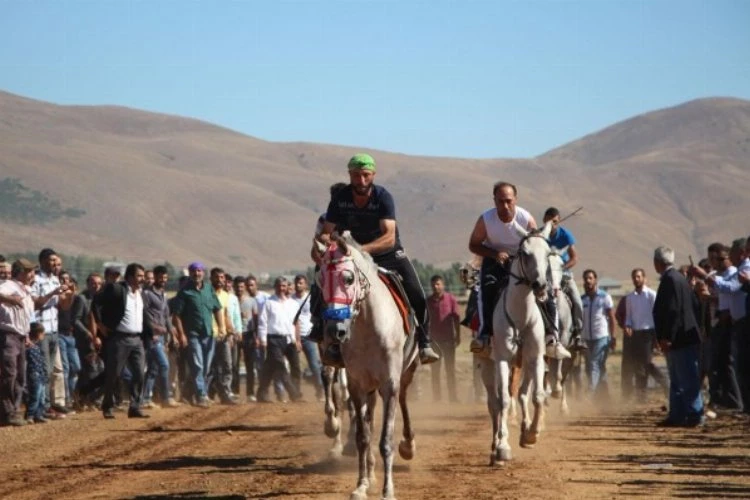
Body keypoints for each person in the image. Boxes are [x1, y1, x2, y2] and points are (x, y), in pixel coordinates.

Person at [313, 154, 439, 365]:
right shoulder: (339, 198)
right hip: (351, 255)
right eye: (356, 176)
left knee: (416, 291)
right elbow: (325, 233)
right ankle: (323, 332)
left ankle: (424, 342)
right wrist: (331, 244)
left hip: (386, 253)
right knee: (322, 284)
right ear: (349, 175)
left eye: (366, 175)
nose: (361, 181)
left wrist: (361, 251)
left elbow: (389, 236)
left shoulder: (382, 197)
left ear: (373, 175)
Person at [468, 182, 571, 360]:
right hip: (495, 262)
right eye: (500, 201)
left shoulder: (525, 218)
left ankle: (552, 339)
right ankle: (484, 335)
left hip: (524, 261)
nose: (505, 205)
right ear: (494, 201)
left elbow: (536, 242)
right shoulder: (485, 220)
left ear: (515, 200)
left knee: (544, 290)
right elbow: (473, 245)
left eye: (508, 201)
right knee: (486, 289)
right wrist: (495, 253)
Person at [653, 246, 704, 427]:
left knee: (687, 377)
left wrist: (668, 336)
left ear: (657, 262)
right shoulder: (677, 278)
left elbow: (674, 311)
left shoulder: (671, 280)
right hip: (681, 337)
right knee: (677, 378)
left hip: (680, 338)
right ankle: (677, 414)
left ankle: (694, 415)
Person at [93, 263, 149, 419]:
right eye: (139, 276)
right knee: (114, 374)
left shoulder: (140, 293)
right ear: (130, 277)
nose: (142, 279)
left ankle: (135, 407)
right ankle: (108, 406)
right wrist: (100, 324)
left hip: (137, 339)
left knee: (139, 374)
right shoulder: (117, 289)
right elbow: (96, 301)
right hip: (120, 339)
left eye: (143, 276)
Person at [170, 262, 223, 408]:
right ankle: (202, 395)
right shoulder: (184, 292)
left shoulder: (209, 289)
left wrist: (221, 327)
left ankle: (188, 394)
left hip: (209, 334)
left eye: (199, 271)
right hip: (192, 335)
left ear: (203, 273)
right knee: (198, 365)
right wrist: (182, 335)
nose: (197, 274)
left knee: (205, 367)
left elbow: (217, 308)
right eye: (194, 271)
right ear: (190, 273)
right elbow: (176, 316)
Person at [543, 207, 585, 351]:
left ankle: (578, 334)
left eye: (554, 221)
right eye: (549, 220)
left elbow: (574, 258)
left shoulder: (566, 235)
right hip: (544, 277)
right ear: (544, 220)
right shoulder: (540, 235)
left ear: (559, 221)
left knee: (577, 301)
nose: (551, 223)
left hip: (563, 274)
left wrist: (562, 268)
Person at [0, 259, 36, 426]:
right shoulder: (7, 286)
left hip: (21, 336)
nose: (32, 275)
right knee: (10, 375)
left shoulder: (26, 290)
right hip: (8, 335)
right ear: (20, 272)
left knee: (20, 376)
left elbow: (29, 312)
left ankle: (12, 410)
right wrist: (9, 299)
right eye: (29, 271)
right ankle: (8, 412)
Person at [621, 268, 666, 400]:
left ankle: (664, 384)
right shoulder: (629, 298)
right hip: (635, 334)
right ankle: (641, 395)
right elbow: (629, 316)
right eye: (634, 277)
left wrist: (657, 336)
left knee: (646, 364)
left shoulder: (651, 295)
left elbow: (657, 316)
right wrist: (628, 325)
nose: (636, 279)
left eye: (639, 277)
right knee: (637, 364)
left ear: (644, 278)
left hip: (649, 333)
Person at [256, 277, 303, 403]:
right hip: (274, 339)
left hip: (290, 339)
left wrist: (298, 339)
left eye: (284, 286)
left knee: (294, 367)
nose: (282, 289)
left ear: (287, 287)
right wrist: (263, 339)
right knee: (280, 367)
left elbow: (296, 323)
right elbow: (263, 322)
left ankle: (262, 393)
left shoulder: (293, 304)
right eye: (279, 286)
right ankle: (294, 395)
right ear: (275, 287)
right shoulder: (269, 303)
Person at [141, 266, 178, 409]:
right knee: (164, 365)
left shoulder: (163, 294)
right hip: (152, 337)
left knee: (153, 368)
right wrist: (153, 329)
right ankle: (165, 397)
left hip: (162, 336)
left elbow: (166, 317)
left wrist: (172, 334)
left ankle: (145, 398)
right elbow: (144, 314)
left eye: (165, 278)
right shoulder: (147, 294)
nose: (163, 280)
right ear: (155, 277)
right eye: (160, 277)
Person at [580, 269, 615, 397]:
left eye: (590, 278)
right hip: (586, 338)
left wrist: (613, 337)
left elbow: (611, 318)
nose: (588, 281)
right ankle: (604, 397)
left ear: (595, 280)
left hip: (601, 337)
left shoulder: (604, 297)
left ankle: (589, 393)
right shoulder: (582, 299)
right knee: (595, 367)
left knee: (594, 363)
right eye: (586, 278)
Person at [427, 275, 461, 403]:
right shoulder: (428, 302)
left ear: (443, 285)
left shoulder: (451, 299)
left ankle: (453, 397)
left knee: (450, 370)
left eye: (438, 284)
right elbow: (425, 321)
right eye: (433, 285)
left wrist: (458, 335)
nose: (435, 287)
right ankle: (437, 398)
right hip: (434, 342)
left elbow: (456, 318)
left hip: (448, 341)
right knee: (435, 372)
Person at [292, 274, 324, 401]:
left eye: (301, 283)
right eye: (296, 283)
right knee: (296, 367)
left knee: (315, 365)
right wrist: (296, 338)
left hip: (310, 335)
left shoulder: (311, 298)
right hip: (296, 337)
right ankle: (296, 393)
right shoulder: (291, 300)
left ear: (305, 285)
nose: (298, 285)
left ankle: (320, 391)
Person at [25, 322, 48, 423]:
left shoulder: (36, 346)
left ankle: (39, 414)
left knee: (41, 397)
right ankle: (30, 415)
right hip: (34, 373)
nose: (44, 335)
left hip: (40, 373)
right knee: (35, 395)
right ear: (38, 333)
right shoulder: (29, 347)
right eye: (42, 333)